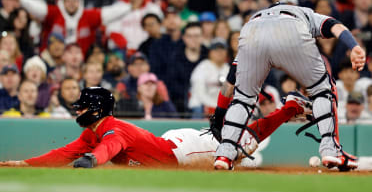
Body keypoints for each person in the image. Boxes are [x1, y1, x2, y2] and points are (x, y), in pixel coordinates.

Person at [213, 3, 365, 171]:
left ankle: (224, 154)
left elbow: (229, 83)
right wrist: (354, 46)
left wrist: (219, 115)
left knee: (243, 98)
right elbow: (335, 26)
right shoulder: (304, 12)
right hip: (291, 28)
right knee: (323, 89)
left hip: (251, 32)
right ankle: (331, 150)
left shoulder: (259, 18)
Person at [0, 86, 309, 168]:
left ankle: (290, 108)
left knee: (240, 146)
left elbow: (110, 147)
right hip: (167, 145)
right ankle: (290, 108)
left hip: (183, 152)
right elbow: (63, 152)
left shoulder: (111, 130)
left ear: (96, 110)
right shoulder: (92, 131)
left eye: (81, 106)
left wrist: (93, 160)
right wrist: (22, 163)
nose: (77, 110)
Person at [10, 0, 131, 55]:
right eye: (68, 0)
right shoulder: (54, 13)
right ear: (63, 2)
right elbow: (37, 8)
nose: (72, 4)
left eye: (75, 0)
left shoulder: (88, 16)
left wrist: (130, 7)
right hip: (53, 59)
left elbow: (110, 12)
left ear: (80, 2)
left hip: (82, 61)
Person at [188, 38, 229, 118]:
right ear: (210, 52)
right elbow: (199, 93)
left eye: (222, 50)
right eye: (216, 50)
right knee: (198, 108)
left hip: (219, 108)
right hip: (201, 106)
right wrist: (213, 107)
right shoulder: (202, 67)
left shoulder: (228, 69)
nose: (219, 53)